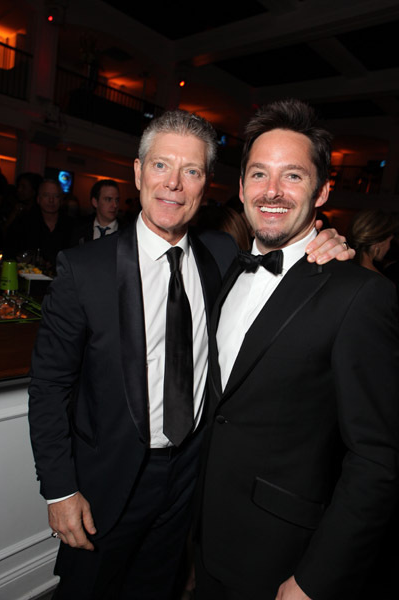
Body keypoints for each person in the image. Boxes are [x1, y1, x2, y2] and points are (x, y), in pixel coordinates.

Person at [28, 109, 352, 600]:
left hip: (191, 482)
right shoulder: (83, 270)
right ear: (138, 172)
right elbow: (50, 386)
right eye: (161, 166)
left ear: (208, 185)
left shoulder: (223, 255)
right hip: (106, 485)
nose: (174, 185)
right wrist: (59, 489)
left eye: (192, 171)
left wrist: (324, 241)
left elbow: (283, 261)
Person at [196, 99, 399, 600]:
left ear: (323, 189)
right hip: (203, 536)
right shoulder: (224, 270)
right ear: (240, 188)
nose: (272, 192)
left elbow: (377, 459)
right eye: (259, 175)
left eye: (293, 176)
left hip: (283, 557)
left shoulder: (360, 294)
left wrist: (316, 579)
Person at [4, 179, 74, 268]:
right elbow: (10, 253)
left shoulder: (71, 226)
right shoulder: (23, 223)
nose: (51, 200)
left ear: (61, 200)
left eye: (56, 196)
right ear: (38, 199)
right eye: (46, 195)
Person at [71, 179, 121, 245]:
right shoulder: (79, 229)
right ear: (95, 202)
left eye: (117, 200)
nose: (115, 205)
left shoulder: (127, 232)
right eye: (108, 199)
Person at [347, 208, 397, 273]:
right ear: (380, 242)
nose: (389, 247)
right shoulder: (378, 281)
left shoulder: (338, 268)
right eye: (389, 241)